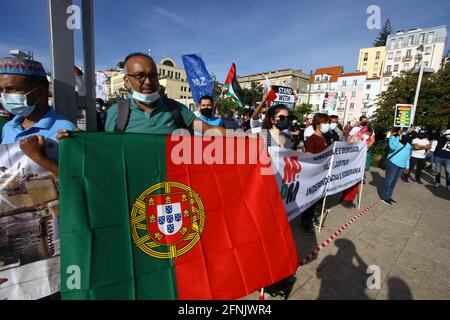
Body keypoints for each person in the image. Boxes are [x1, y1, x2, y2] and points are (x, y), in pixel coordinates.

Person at [104, 53, 225, 136]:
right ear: (127, 81)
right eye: (140, 76)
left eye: (152, 75)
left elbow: (209, 130)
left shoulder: (177, 109)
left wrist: (241, 136)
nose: (148, 81)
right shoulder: (117, 113)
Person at [0, 57, 77, 175]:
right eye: (1, 90)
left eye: (11, 89)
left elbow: (76, 179)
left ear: (40, 92)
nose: (4, 95)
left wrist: (39, 157)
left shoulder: (66, 129)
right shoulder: (8, 127)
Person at [301, 113, 330, 232]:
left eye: (328, 123)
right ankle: (305, 221)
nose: (327, 125)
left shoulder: (324, 138)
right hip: (313, 174)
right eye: (325, 123)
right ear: (318, 124)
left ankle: (311, 217)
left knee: (317, 197)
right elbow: (309, 158)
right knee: (310, 199)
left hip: (322, 173)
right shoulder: (311, 139)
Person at [341, 125, 375, 208]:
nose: (368, 136)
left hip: (361, 161)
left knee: (357, 180)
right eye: (366, 134)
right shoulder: (355, 134)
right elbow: (349, 145)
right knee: (350, 178)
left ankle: (350, 198)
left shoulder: (367, 138)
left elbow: (370, 143)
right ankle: (345, 198)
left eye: (369, 135)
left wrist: (365, 146)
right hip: (352, 161)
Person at [380, 127, 413, 205]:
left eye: (406, 130)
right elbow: (392, 147)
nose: (405, 132)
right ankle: (385, 197)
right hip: (392, 163)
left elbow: (407, 155)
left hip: (401, 165)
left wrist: (407, 166)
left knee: (394, 182)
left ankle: (388, 196)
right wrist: (398, 136)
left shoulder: (408, 143)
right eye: (403, 130)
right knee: (389, 180)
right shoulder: (393, 138)